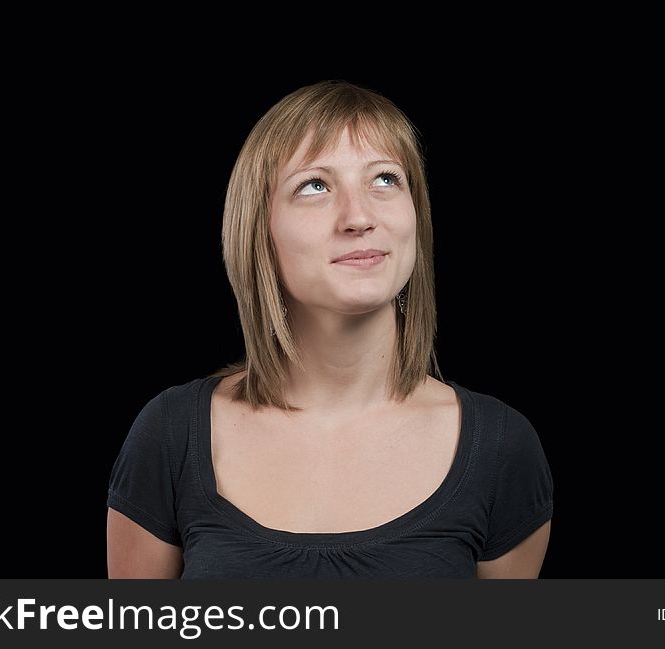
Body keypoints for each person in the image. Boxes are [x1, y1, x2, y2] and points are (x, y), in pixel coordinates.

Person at [106, 80, 553, 579]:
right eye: (314, 185)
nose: (360, 216)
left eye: (385, 179)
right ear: (259, 229)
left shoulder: (501, 447)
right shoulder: (169, 436)